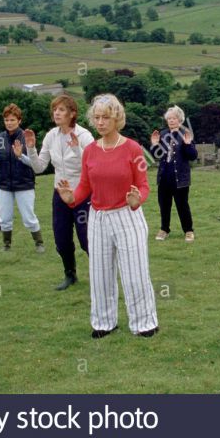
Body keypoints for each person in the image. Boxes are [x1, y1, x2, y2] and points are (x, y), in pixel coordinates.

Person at [56, 94, 159, 339]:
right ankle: (103, 322)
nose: (100, 122)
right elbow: (85, 187)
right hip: (98, 218)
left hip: (127, 216)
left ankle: (145, 323)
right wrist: (71, 197)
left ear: (117, 119)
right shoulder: (90, 151)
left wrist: (137, 200)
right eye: (97, 117)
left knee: (135, 273)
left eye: (106, 117)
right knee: (100, 274)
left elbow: (143, 186)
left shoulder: (132, 148)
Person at [27, 94, 95, 290]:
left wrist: (76, 149)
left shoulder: (84, 136)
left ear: (72, 113)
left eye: (62, 109)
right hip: (60, 194)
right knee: (61, 238)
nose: (56, 113)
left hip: (82, 193)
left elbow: (93, 166)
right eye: (55, 109)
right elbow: (39, 167)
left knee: (86, 239)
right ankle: (70, 274)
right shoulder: (51, 136)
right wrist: (31, 149)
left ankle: (100, 275)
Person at [0, 103, 45, 253]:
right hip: (4, 185)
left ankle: (39, 243)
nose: (9, 123)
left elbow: (36, 165)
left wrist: (20, 156)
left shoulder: (26, 138)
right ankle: (6, 245)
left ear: (19, 120)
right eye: (6, 120)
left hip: (24, 184)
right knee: (4, 218)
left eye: (12, 120)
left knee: (29, 218)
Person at [149, 105, 198, 242]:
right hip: (164, 177)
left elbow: (193, 156)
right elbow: (156, 156)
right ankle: (164, 229)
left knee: (182, 205)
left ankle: (188, 231)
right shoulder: (163, 134)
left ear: (180, 119)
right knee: (164, 205)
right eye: (169, 118)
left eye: (174, 118)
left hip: (180, 178)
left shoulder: (186, 133)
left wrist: (188, 144)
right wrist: (154, 144)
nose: (171, 120)